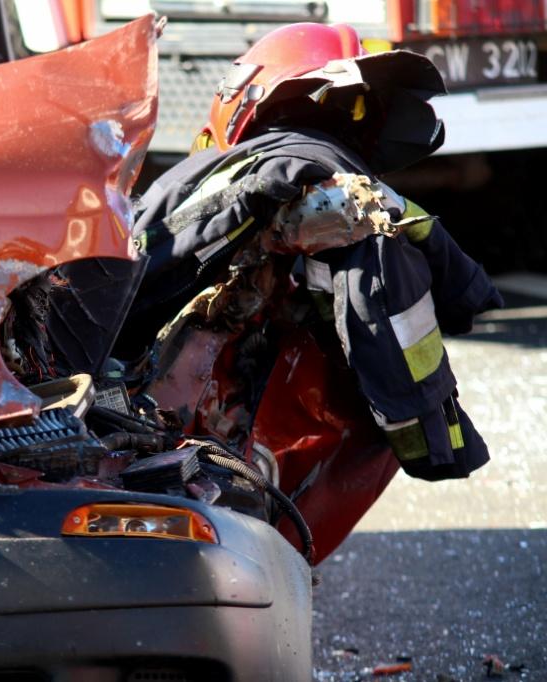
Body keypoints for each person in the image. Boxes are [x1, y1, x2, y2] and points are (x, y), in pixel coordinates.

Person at [128, 23, 503, 481]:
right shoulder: (351, 192)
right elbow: (409, 300)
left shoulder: (294, 182)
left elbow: (141, 264)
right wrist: (432, 445)